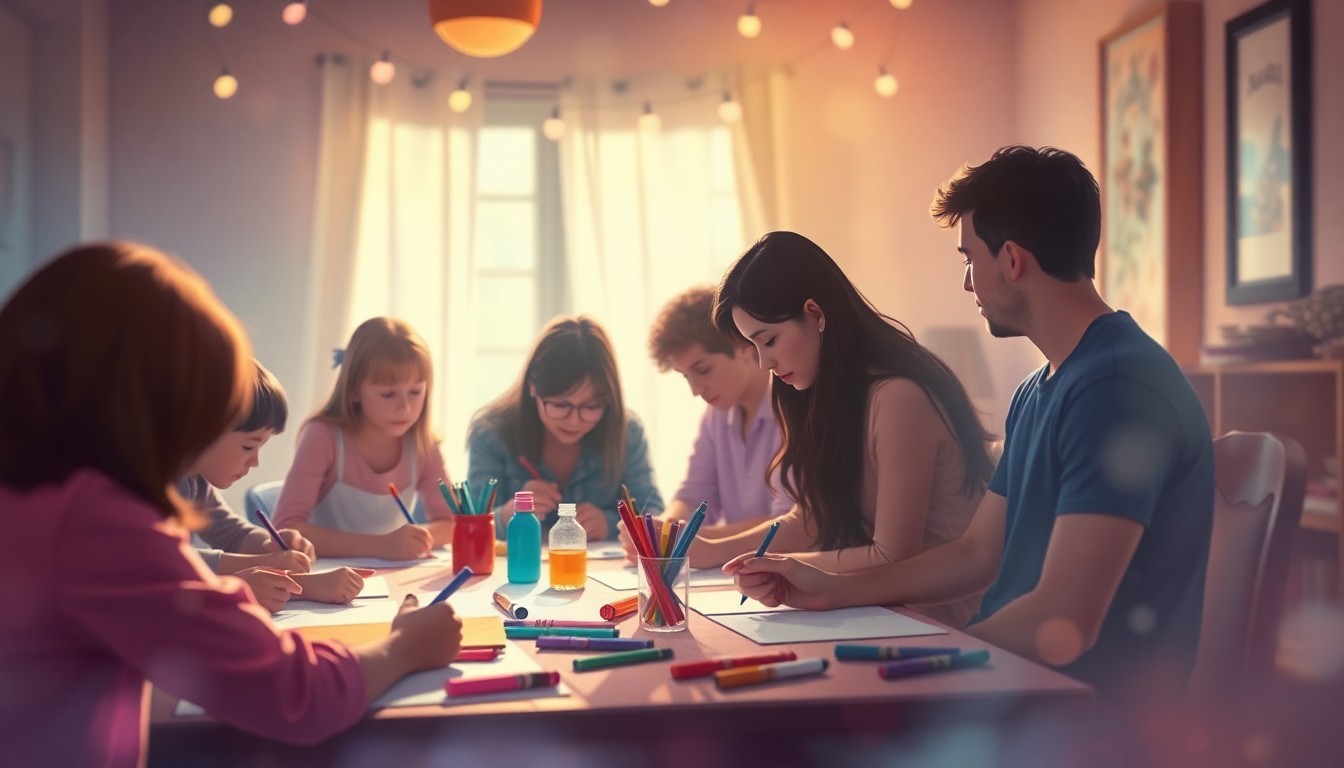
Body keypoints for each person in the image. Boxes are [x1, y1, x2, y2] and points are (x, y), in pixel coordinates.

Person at [727, 146, 1214, 701]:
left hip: (1084, 711)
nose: (966, 283)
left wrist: (930, 654)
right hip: (1023, 686)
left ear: (1010, 259)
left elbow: (1065, 618)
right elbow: (976, 553)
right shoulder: (1042, 387)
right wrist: (832, 590)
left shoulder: (1116, 388)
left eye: (968, 258)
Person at [0, 243, 462, 766]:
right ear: (148, 398)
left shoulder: (37, 493)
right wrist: (404, 647)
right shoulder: (95, 522)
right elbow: (295, 694)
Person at [703, 230, 996, 627]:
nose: (763, 364)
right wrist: (714, 550)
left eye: (768, 340)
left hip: (936, 621)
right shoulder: (819, 390)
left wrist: (786, 568)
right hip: (874, 611)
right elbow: (813, 516)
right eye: (753, 348)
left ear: (816, 314)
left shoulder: (898, 398)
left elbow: (893, 555)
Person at [182, 359, 374, 612]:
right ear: (202, 429)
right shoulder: (148, 484)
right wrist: (284, 573)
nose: (256, 461)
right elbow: (167, 563)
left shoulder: (194, 481)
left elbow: (230, 532)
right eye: (249, 446)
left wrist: (270, 544)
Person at [617, 286, 792, 559]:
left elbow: (791, 523)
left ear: (745, 346)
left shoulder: (792, 410)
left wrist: (678, 538)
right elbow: (694, 494)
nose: (695, 389)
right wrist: (662, 527)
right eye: (686, 376)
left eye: (703, 370)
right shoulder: (717, 414)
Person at [468, 315, 663, 542]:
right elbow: (471, 524)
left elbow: (653, 513)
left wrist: (609, 524)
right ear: (532, 387)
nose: (574, 421)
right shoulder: (491, 432)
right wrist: (509, 514)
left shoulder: (626, 432)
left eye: (591, 406)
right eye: (560, 405)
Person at [273, 318, 454, 559]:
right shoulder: (323, 437)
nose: (405, 408)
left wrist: (413, 539)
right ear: (354, 391)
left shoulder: (424, 443)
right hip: (326, 584)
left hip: (392, 582)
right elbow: (286, 529)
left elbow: (454, 523)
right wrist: (383, 546)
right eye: (388, 394)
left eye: (415, 391)